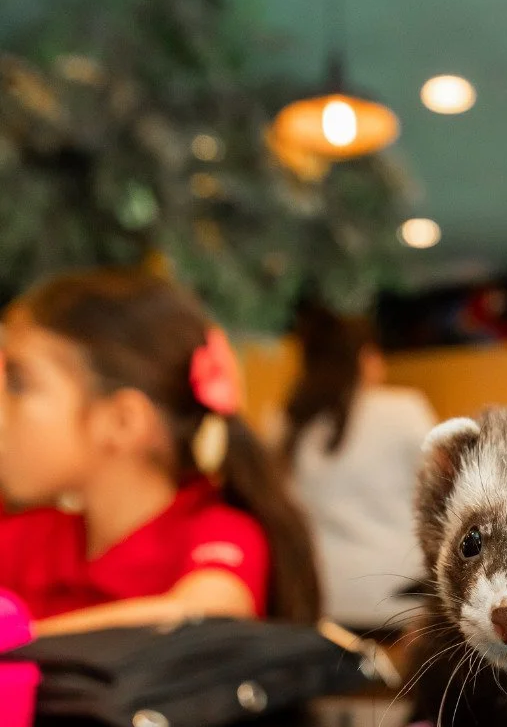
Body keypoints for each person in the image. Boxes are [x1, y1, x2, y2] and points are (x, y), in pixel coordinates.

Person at [0, 267, 320, 634]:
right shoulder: (31, 537)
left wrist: (17, 639)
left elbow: (202, 617)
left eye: (19, 385)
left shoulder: (218, 531)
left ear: (122, 421)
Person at [283, 305, 437, 634]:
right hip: (395, 599)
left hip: (316, 600)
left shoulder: (288, 423)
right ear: (365, 357)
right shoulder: (403, 411)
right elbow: (448, 492)